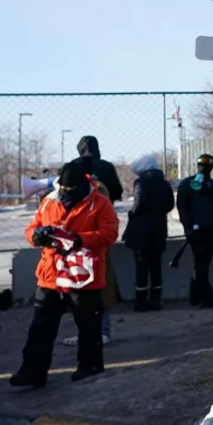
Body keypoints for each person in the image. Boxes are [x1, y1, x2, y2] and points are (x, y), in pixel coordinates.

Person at [12, 159, 118, 388]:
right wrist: (36, 236)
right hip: (51, 274)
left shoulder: (100, 203)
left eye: (70, 189)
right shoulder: (49, 201)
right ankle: (32, 373)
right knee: (41, 326)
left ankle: (89, 367)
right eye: (63, 188)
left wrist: (80, 240)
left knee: (88, 326)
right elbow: (32, 228)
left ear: (82, 184)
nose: (65, 192)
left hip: (84, 275)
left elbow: (110, 233)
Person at [75, 135, 122, 344]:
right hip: (101, 227)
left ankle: (88, 331)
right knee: (102, 277)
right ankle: (102, 330)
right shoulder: (106, 167)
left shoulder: (76, 167)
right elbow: (118, 192)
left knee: (80, 280)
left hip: (80, 229)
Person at [122, 154, 175, 312]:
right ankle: (155, 299)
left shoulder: (141, 183)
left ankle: (141, 301)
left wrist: (132, 213)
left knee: (141, 266)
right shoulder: (164, 183)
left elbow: (139, 202)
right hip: (159, 229)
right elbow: (170, 204)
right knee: (156, 266)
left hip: (141, 232)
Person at [177, 153, 213, 308]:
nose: (204, 167)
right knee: (201, 264)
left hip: (208, 229)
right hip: (197, 230)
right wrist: (188, 227)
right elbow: (182, 207)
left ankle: (195, 296)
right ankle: (206, 298)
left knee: (202, 263)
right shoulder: (188, 184)